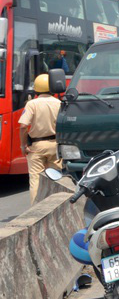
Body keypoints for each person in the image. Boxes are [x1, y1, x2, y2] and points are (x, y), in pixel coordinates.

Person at [18, 74, 62, 205]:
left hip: (36, 146)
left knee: (36, 180)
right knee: (56, 179)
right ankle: (55, 208)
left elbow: (23, 126)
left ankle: (35, 209)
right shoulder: (59, 103)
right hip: (56, 145)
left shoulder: (32, 104)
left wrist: (23, 145)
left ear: (36, 88)